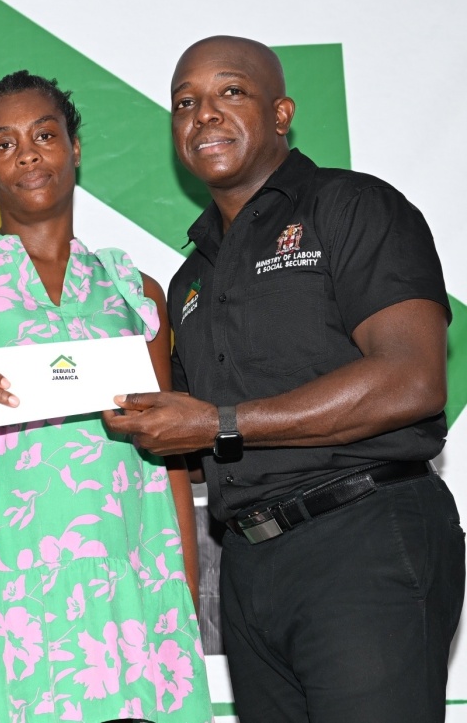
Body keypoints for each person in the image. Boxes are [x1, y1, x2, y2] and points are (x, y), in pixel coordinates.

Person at [103, 36, 464, 723]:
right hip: (247, 565)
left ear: (281, 113)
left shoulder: (354, 207)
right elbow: (187, 434)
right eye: (185, 102)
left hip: (362, 537)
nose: (203, 113)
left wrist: (220, 422)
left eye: (229, 92)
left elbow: (413, 379)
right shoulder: (190, 280)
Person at [0, 70, 211, 721]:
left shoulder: (134, 290)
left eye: (44, 135)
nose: (28, 153)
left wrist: (180, 589)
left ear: (76, 148)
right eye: (4, 144)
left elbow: (166, 450)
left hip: (121, 592)